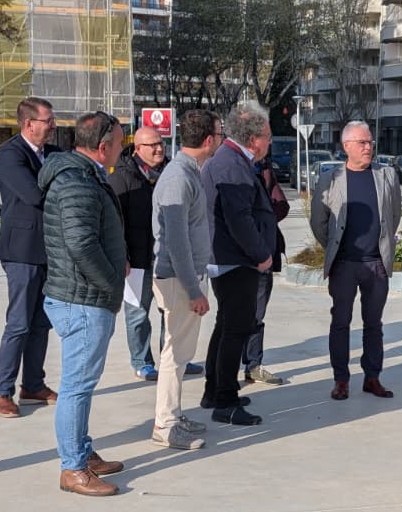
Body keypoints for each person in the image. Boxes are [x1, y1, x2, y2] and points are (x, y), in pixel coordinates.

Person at [39, 111, 129, 495]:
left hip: (82, 295)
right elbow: (81, 244)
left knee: (83, 384)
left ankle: (82, 452)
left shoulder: (83, 175)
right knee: (76, 386)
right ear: (103, 146)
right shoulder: (76, 181)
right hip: (83, 299)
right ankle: (73, 468)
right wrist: (111, 282)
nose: (122, 149)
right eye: (120, 143)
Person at [310, 119, 402, 401]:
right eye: (362, 142)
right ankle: (341, 380)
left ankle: (372, 377)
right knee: (341, 322)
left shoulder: (386, 175)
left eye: (370, 142)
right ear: (346, 146)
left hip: (376, 263)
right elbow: (319, 221)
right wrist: (335, 249)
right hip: (344, 265)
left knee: (374, 324)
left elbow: (394, 214)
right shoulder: (331, 178)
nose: (368, 147)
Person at [200, 100, 278, 427]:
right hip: (235, 260)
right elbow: (239, 219)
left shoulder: (232, 158)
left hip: (228, 259)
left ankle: (214, 390)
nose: (269, 142)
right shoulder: (232, 164)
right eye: (268, 137)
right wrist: (261, 254)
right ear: (253, 139)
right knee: (235, 330)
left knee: (225, 326)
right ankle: (226, 402)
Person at [149, 110, 220, 450]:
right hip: (179, 279)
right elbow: (176, 242)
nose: (220, 140)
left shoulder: (188, 171)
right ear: (208, 140)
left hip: (187, 277)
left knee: (179, 352)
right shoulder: (179, 177)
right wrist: (194, 290)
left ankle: (173, 415)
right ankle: (165, 424)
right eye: (219, 135)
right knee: (175, 353)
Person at [0, 97, 59, 418]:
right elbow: (33, 195)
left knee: (41, 323)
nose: (53, 126)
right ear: (29, 124)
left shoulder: (52, 153)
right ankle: (2, 392)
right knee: (19, 323)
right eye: (48, 121)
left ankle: (33, 384)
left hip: (48, 250)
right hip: (21, 251)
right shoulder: (11, 155)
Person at [111, 124, 167, 381]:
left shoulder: (169, 172)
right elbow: (115, 221)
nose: (159, 149)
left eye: (160, 143)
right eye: (152, 145)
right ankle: (142, 361)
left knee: (171, 311)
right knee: (137, 312)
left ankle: (172, 358)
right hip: (136, 259)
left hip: (165, 256)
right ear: (137, 148)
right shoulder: (122, 177)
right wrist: (122, 255)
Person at [241, 148, 290, 387]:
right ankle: (224, 372)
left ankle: (253, 365)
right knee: (233, 316)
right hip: (237, 257)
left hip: (265, 253)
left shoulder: (264, 169)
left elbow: (282, 205)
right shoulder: (231, 167)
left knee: (257, 314)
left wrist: (263, 220)